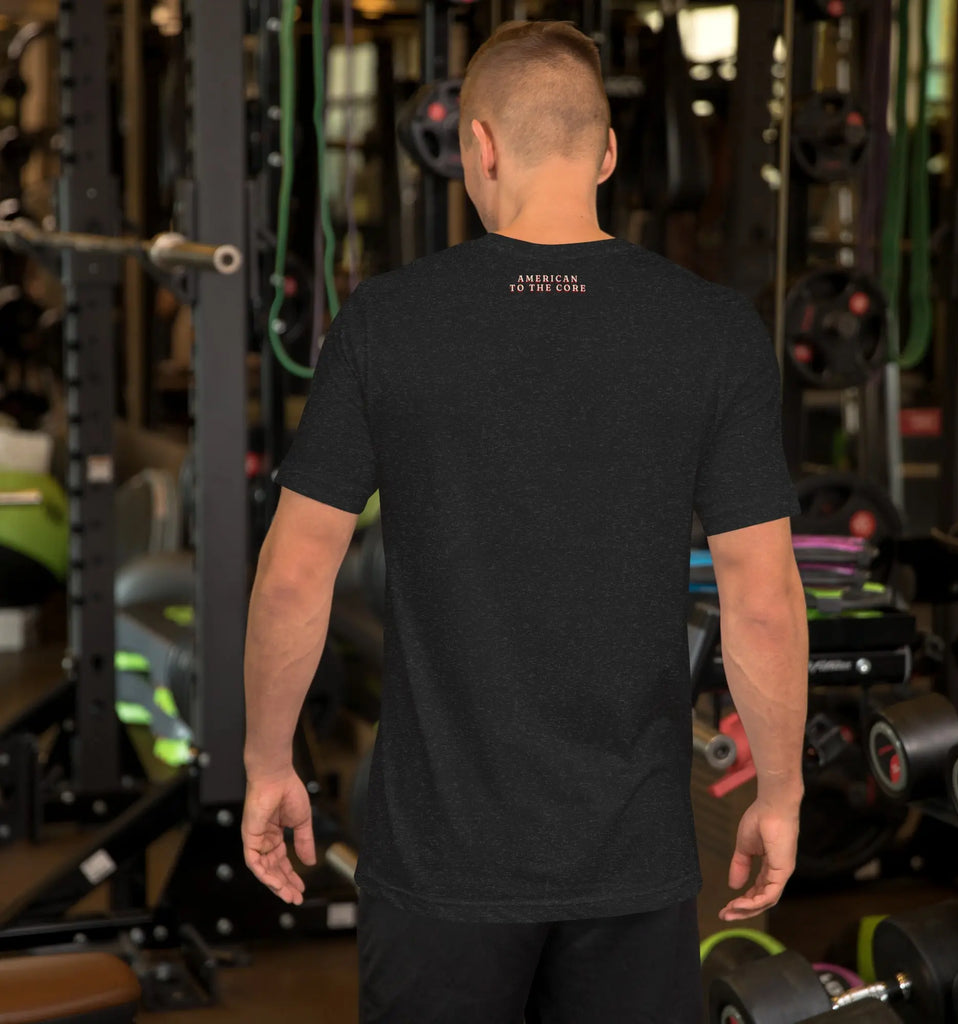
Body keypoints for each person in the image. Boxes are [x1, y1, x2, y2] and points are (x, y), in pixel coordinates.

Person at [242, 20, 808, 1024]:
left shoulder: (386, 320)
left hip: (440, 860)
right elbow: (759, 597)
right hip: (630, 858)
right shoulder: (712, 330)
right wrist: (782, 790)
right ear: (608, 153)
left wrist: (267, 763)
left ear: (479, 146)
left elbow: (294, 576)